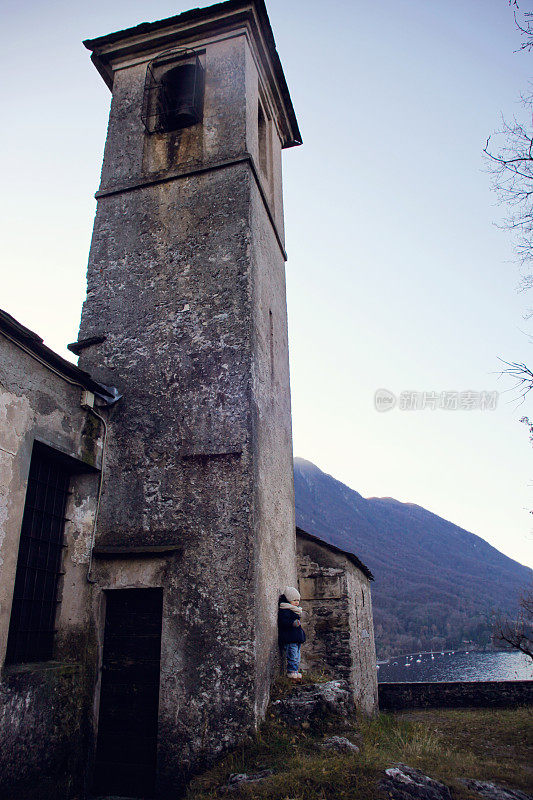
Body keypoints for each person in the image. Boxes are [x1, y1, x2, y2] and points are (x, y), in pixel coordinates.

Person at [278, 586, 306, 680]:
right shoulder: (285, 610)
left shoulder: (295, 610)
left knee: (297, 657)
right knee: (292, 656)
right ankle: (291, 671)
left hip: (296, 637)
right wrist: (292, 623)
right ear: (288, 600)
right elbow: (283, 622)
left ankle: (295, 671)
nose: (297, 602)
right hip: (290, 637)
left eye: (298, 600)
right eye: (294, 600)